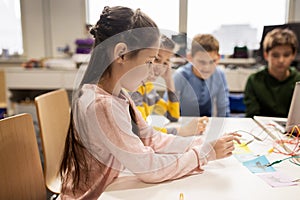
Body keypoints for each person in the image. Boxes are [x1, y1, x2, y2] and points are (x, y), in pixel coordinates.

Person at [59, 6, 240, 199]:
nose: (151, 71)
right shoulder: (101, 105)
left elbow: (151, 138)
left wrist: (201, 143)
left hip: (110, 189)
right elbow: (149, 169)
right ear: (121, 54)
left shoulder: (118, 95)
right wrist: (204, 153)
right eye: (149, 61)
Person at [130, 34, 208, 136]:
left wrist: (169, 79)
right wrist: (181, 131)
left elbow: (173, 115)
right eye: (157, 59)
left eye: (166, 62)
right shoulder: (132, 89)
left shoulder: (148, 88)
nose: (160, 67)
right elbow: (141, 132)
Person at [244, 28, 300, 118]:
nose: (281, 60)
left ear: (293, 55)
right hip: (260, 129)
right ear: (266, 55)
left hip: (292, 130)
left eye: (286, 55)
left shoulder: (298, 81)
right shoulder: (254, 80)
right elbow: (252, 116)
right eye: (275, 55)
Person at [170, 34, 230, 117]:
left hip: (207, 123)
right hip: (183, 123)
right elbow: (168, 109)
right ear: (190, 57)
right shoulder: (180, 76)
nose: (207, 68)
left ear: (218, 58)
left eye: (212, 61)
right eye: (202, 62)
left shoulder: (220, 74)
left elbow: (223, 107)